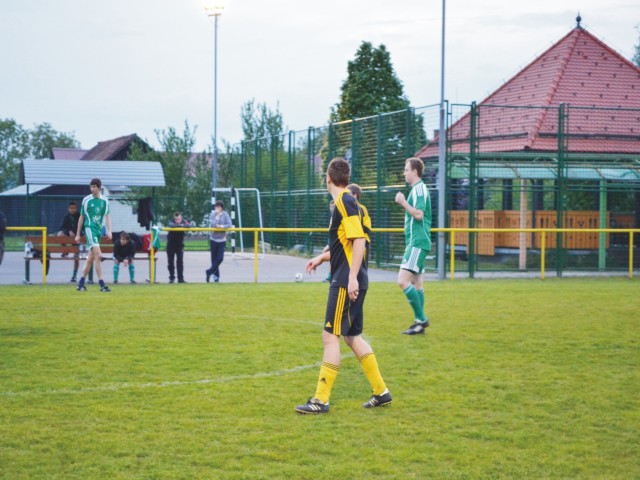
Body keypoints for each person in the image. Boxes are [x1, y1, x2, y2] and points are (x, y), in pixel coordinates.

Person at [295, 157, 391, 414]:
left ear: (328, 178)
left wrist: (351, 278)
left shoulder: (344, 201)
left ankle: (320, 400)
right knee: (352, 337)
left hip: (345, 280)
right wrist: (322, 258)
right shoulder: (352, 204)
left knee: (330, 337)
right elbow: (347, 243)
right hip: (354, 277)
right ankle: (381, 392)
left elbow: (358, 241)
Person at [395, 157, 432, 335]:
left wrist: (403, 202)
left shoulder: (419, 190)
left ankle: (422, 319)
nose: (404, 173)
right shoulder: (417, 190)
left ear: (415, 172)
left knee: (402, 281)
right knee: (417, 284)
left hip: (417, 243)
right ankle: (418, 324)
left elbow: (418, 214)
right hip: (416, 242)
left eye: (406, 169)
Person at [75, 178, 112, 292]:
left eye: (94, 187)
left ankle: (81, 284)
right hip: (89, 229)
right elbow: (81, 217)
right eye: (91, 187)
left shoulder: (105, 201)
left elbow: (107, 216)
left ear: (99, 188)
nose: (92, 189)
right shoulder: (86, 200)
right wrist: (77, 234)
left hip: (98, 231)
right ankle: (102, 285)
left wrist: (109, 231)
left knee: (90, 259)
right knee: (98, 256)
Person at [205, 200, 232, 283]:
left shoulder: (225, 215)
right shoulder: (213, 215)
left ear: (222, 208)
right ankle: (216, 277)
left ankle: (209, 271)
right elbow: (213, 225)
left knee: (220, 258)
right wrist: (216, 217)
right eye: (216, 207)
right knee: (214, 259)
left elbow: (229, 224)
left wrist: (221, 226)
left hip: (222, 240)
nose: (217, 208)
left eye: (219, 207)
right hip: (213, 239)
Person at [57, 201, 81, 281]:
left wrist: (75, 232)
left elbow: (83, 227)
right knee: (60, 234)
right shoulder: (66, 217)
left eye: (74, 208)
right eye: (71, 208)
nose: (72, 210)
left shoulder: (80, 216)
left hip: (77, 238)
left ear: (76, 209)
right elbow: (62, 227)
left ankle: (74, 275)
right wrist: (69, 231)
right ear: (68, 209)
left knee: (76, 257)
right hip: (69, 237)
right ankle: (65, 250)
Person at [167, 211, 190, 284]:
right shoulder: (171, 222)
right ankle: (171, 278)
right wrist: (180, 225)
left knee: (180, 262)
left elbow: (188, 225)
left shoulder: (184, 221)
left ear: (181, 218)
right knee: (170, 262)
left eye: (179, 219)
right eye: (176, 219)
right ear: (174, 219)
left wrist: (181, 225)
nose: (177, 221)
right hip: (171, 245)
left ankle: (180, 279)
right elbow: (171, 225)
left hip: (179, 245)